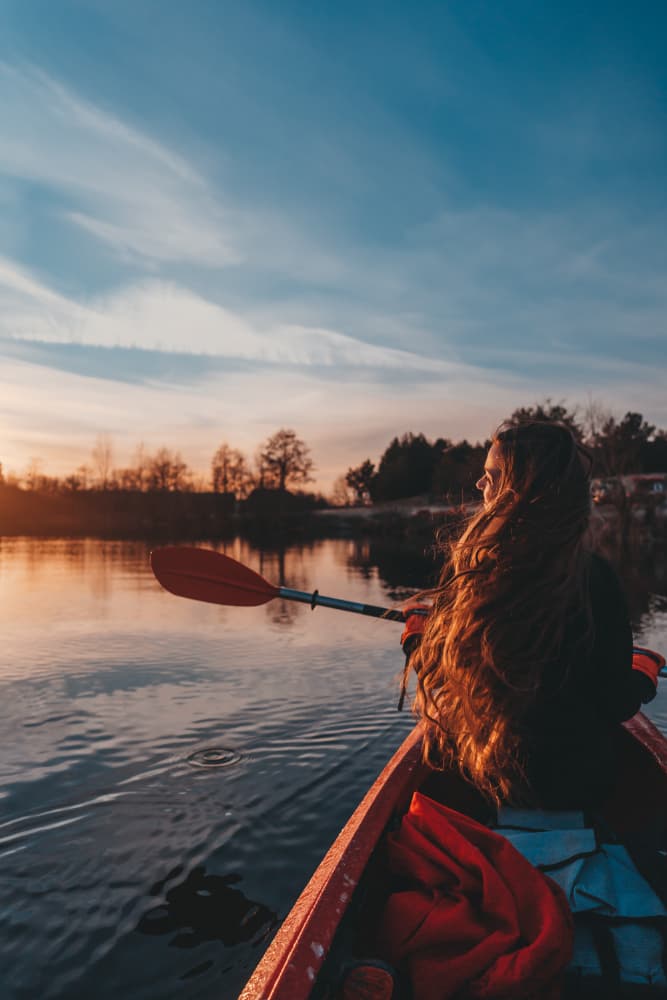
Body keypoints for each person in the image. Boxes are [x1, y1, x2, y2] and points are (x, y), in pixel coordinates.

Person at [401, 420, 659, 809]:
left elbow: (443, 674)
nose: (479, 486)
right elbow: (616, 702)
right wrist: (642, 675)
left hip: (486, 783)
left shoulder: (474, 574)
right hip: (577, 788)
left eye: (491, 477)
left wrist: (416, 635)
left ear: (522, 490)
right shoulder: (595, 576)